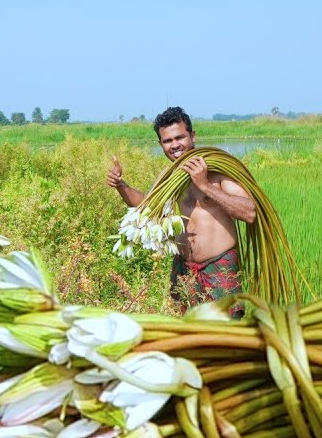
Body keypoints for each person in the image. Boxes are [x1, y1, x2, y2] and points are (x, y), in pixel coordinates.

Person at [106, 107, 256, 316]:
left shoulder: (216, 171)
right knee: (186, 337)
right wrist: (121, 185)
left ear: (192, 136)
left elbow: (249, 212)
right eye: (167, 141)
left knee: (224, 341)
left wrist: (205, 186)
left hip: (218, 269)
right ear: (161, 144)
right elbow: (147, 207)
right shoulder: (171, 176)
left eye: (180, 137)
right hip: (183, 269)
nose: (175, 145)